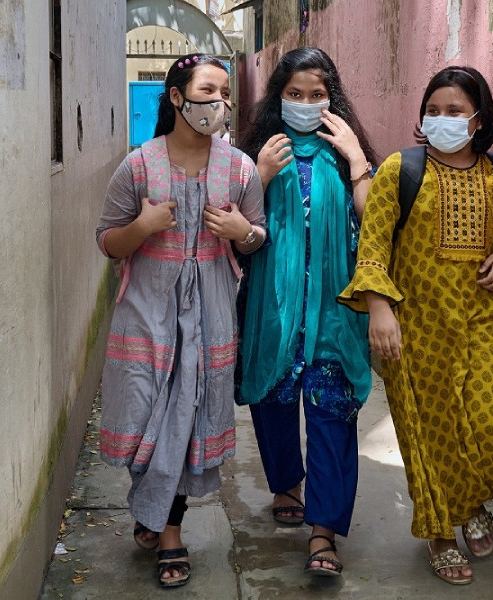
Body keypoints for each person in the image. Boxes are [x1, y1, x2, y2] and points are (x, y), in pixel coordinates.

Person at [338, 66, 493, 586]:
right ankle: (442, 533)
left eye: (454, 111)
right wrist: (379, 309)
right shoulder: (402, 169)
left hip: (482, 322)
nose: (441, 119)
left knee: (490, 428)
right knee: (432, 434)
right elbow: (373, 246)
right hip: (416, 328)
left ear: (479, 119)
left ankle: (469, 504)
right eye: (434, 110)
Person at [95, 53, 265, 588]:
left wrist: (243, 231)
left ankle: (169, 529)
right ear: (176, 98)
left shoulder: (238, 168)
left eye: (225, 94)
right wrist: (143, 225)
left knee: (188, 416)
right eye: (208, 92)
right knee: (148, 413)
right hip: (146, 315)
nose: (220, 104)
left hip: (211, 314)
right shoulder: (138, 166)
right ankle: (154, 506)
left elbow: (259, 236)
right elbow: (107, 241)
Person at [236, 47, 377, 577]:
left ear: (332, 99)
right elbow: (232, 220)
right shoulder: (257, 151)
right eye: (295, 95)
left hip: (335, 310)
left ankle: (323, 529)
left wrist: (358, 158)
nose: (305, 104)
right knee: (273, 401)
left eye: (317, 95)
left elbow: (376, 224)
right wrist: (259, 175)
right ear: (278, 97)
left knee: (331, 411)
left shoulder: (346, 156)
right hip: (273, 307)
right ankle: (286, 485)